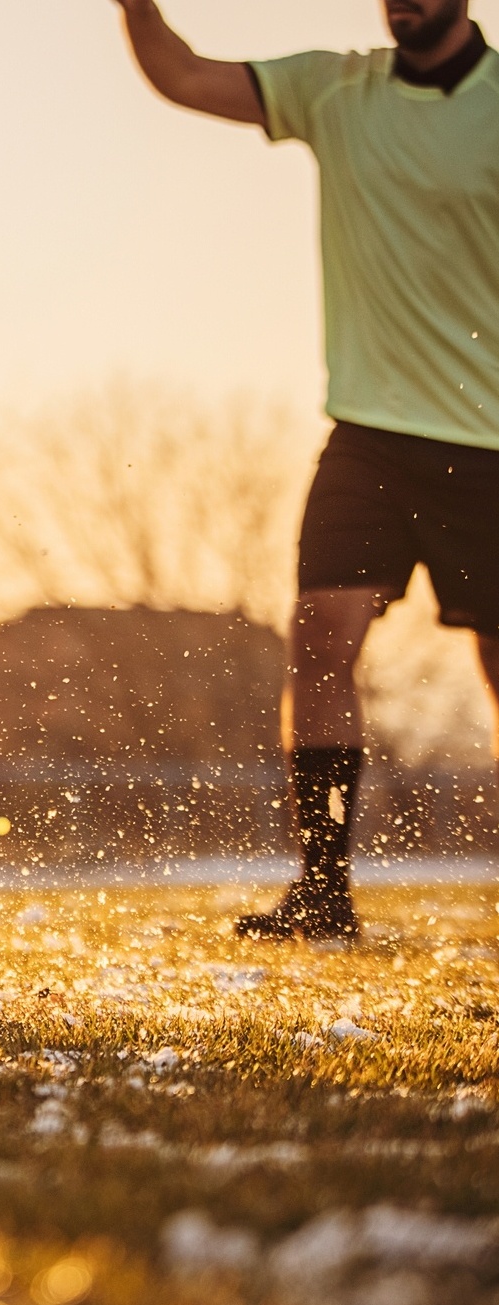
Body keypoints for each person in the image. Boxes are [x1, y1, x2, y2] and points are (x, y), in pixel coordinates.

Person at [109, 0, 499, 942]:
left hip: (488, 439)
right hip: (367, 432)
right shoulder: (334, 89)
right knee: (319, 641)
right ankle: (321, 891)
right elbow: (182, 74)